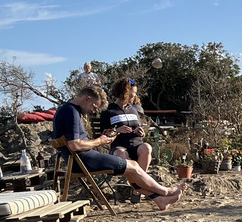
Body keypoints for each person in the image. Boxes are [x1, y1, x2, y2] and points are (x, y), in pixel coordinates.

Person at [53, 85, 185, 210]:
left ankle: (159, 200)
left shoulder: (67, 110)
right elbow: (74, 144)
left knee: (131, 168)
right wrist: (99, 141)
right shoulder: (71, 111)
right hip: (84, 160)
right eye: (94, 106)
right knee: (133, 166)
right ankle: (165, 191)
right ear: (87, 99)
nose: (93, 111)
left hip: (80, 159)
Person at [99, 78, 152, 171]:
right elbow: (104, 135)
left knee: (147, 147)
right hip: (119, 146)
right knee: (121, 154)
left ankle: (139, 181)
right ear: (125, 92)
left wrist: (141, 132)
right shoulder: (109, 111)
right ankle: (137, 180)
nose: (135, 96)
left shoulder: (134, 109)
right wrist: (116, 130)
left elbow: (138, 128)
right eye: (133, 92)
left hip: (137, 145)